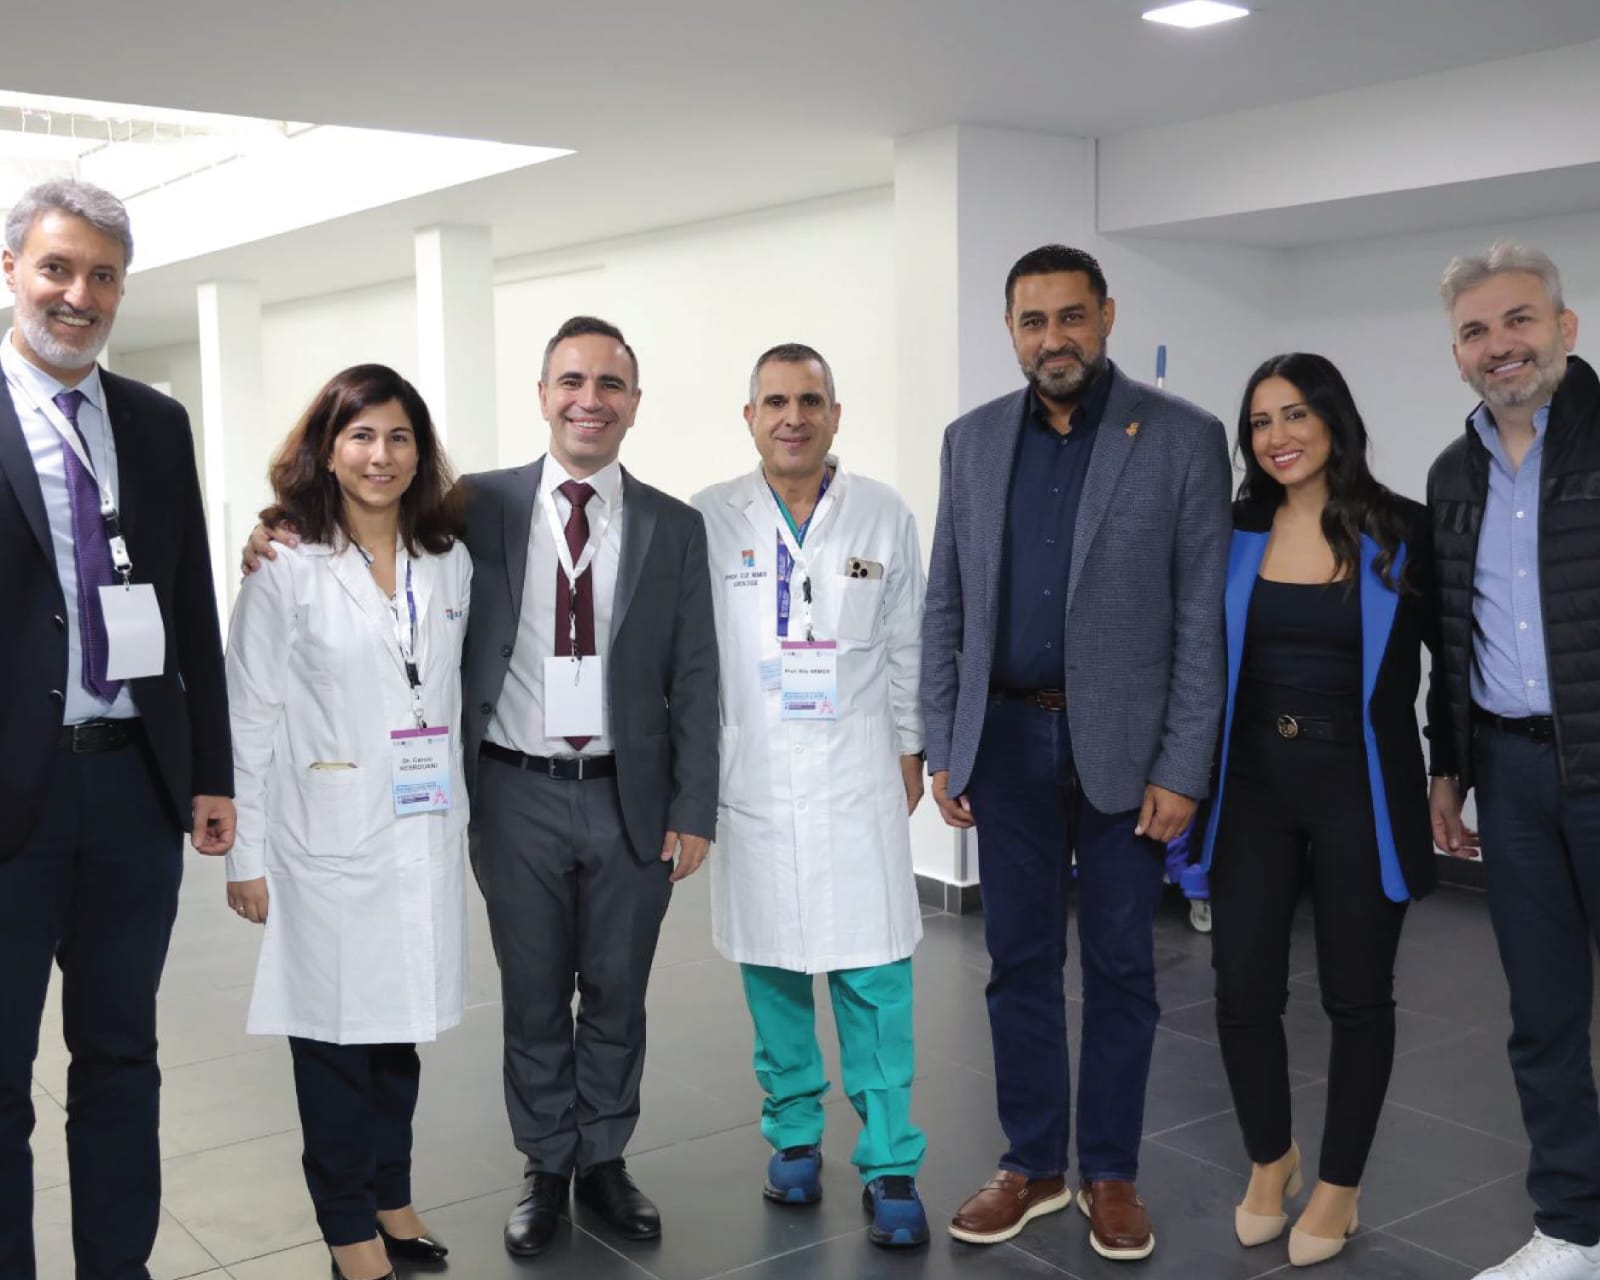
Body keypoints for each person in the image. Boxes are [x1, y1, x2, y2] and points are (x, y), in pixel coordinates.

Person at [247, 316, 719, 1259]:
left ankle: (604, 1159)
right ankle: (545, 1164)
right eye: (571, 381)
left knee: (618, 991)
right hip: (513, 792)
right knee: (533, 992)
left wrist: (693, 804)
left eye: (610, 384)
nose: (589, 400)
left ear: (634, 402)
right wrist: (277, 526)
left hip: (628, 793)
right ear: (542, 395)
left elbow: (698, 673)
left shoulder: (675, 525)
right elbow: (364, 516)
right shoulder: (477, 506)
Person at [922, 243, 1231, 1259]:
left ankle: (1109, 1171)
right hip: (1005, 739)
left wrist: (1183, 766)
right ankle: (1030, 1164)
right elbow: (946, 602)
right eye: (1031, 320)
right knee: (1015, 959)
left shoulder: (1181, 437)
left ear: (1105, 316)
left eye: (1069, 316)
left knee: (1120, 964)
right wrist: (944, 742)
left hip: (1127, 752)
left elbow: (1200, 618)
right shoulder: (971, 441)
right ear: (1011, 331)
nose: (1051, 338)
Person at [0, 179, 235, 1280]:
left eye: (102, 275)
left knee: (121, 1058)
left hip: (133, 789)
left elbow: (187, 602)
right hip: (12, 795)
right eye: (57, 268)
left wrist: (209, 770)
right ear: (11, 270)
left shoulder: (153, 420)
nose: (78, 295)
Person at [1199, 353, 1442, 1268]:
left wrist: (1453, 770)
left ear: (1334, 420)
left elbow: (1453, 661)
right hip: (1252, 786)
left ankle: (1339, 1184)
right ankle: (1273, 1158)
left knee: (1356, 995)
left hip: (1360, 786)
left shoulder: (1404, 529)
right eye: (1261, 422)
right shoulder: (1232, 530)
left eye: (1296, 414)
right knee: (1242, 989)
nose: (1278, 437)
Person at [226, 365, 468, 1280]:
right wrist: (245, 856)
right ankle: (346, 1229)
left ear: (420, 453)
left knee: (398, 1031)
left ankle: (391, 1196)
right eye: (361, 436)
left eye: (400, 437)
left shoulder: (448, 558)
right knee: (332, 1040)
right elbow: (248, 714)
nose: (381, 455)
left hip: (420, 828)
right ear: (327, 451)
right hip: (322, 840)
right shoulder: (285, 567)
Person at [693, 343, 930, 1248]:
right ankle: (793, 1134)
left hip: (857, 775)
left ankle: (890, 1159)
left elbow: (907, 641)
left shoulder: (881, 512)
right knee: (774, 973)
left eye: (810, 401)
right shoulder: (710, 518)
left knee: (876, 974)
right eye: (776, 402)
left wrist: (911, 745)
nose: (793, 417)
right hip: (753, 775)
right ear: (749, 417)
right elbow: (690, 660)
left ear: (835, 414)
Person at [1428, 243, 1600, 1280]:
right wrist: (1448, 767)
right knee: (1542, 1017)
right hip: (1513, 772)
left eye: (1518, 320)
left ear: (1564, 328)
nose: (1500, 345)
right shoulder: (1453, 475)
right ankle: (1573, 1229)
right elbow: (1451, 635)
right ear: (1456, 352)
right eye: (1475, 330)